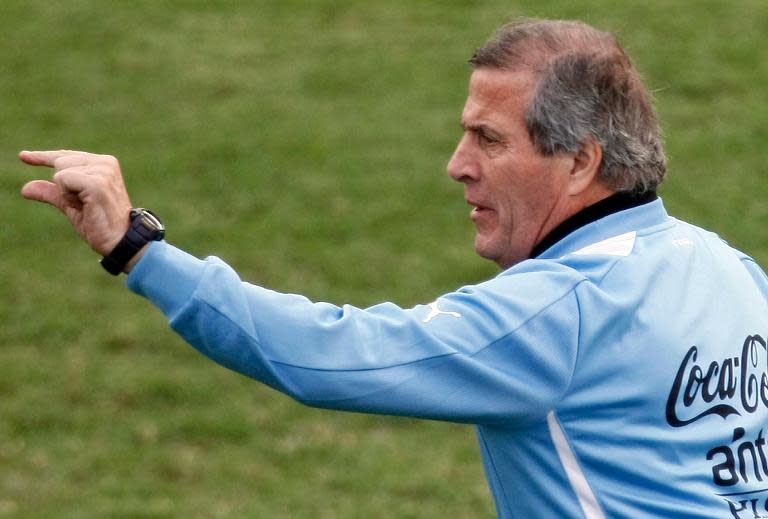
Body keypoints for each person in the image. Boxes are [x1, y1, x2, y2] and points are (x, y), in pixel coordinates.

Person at [18, 18, 768, 519]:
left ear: (579, 163)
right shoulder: (731, 269)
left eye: (488, 139)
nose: (457, 166)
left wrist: (137, 248)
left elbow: (330, 353)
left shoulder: (559, 312)